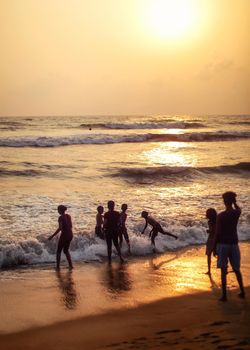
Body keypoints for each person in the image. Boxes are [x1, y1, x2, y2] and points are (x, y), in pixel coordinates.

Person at [214, 191, 245, 301]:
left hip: (223, 244)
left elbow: (217, 233)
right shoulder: (236, 213)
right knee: (237, 269)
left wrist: (214, 247)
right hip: (234, 244)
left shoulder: (221, 216)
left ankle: (224, 295)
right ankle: (242, 291)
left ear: (224, 201)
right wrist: (235, 202)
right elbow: (239, 209)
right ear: (232, 201)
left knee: (223, 270)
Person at [48, 205, 73, 269]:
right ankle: (70, 265)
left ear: (60, 210)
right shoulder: (68, 216)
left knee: (58, 251)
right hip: (70, 234)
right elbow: (71, 226)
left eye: (58, 210)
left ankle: (58, 267)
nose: (57, 211)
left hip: (64, 235)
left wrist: (52, 236)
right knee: (65, 250)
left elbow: (60, 228)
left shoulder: (60, 218)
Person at [205, 208, 217, 275]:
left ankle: (209, 270)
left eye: (207, 213)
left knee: (209, 255)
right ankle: (224, 268)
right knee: (218, 254)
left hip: (211, 240)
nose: (206, 215)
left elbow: (212, 231)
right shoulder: (217, 221)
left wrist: (208, 231)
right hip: (217, 239)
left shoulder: (210, 222)